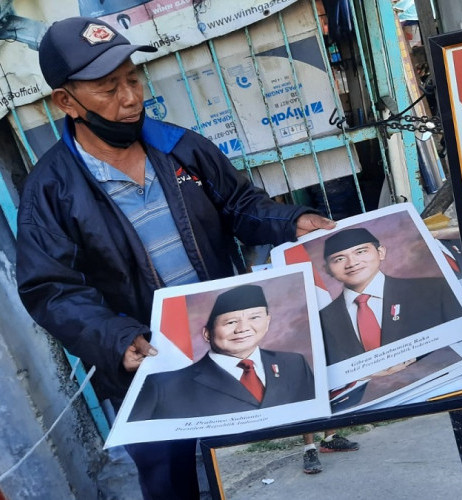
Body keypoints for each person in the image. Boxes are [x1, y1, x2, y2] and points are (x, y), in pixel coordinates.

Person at [15, 16, 334, 500]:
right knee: (169, 481)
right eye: (107, 88)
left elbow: (241, 207)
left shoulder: (178, 146)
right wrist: (118, 338)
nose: (129, 98)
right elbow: (50, 289)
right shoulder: (51, 188)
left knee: (239, 462)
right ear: (67, 102)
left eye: (132, 78)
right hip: (141, 366)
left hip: (218, 345)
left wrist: (290, 222)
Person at [128, 285, 315, 420]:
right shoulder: (165, 387)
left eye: (255, 317)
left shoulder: (294, 364)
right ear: (207, 333)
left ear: (267, 321)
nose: (243, 329)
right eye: (230, 322)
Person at [318, 227, 462, 364]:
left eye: (361, 252)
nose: (352, 263)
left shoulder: (436, 290)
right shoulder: (323, 319)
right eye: (339, 259)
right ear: (327, 269)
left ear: (381, 252)